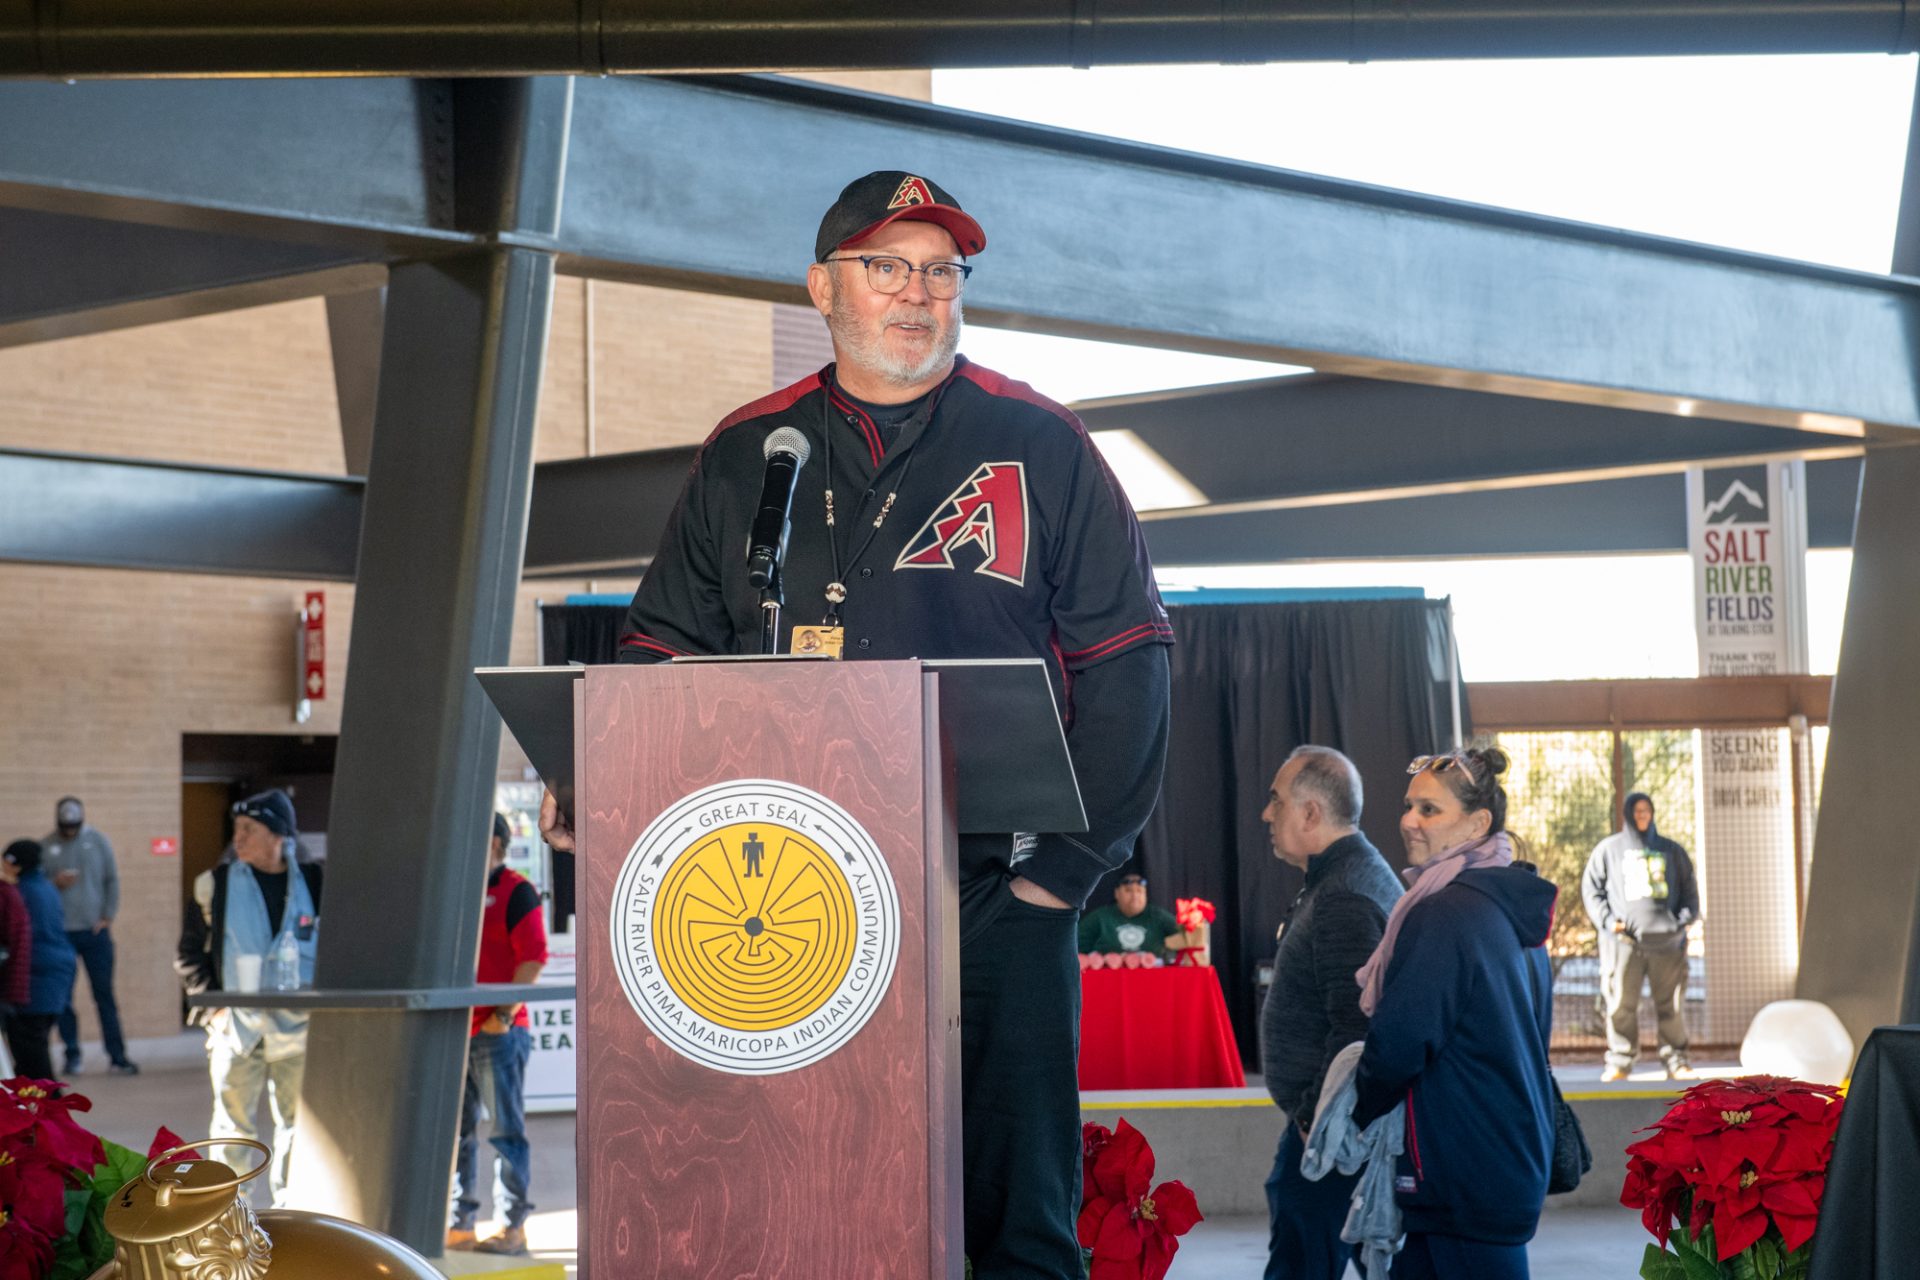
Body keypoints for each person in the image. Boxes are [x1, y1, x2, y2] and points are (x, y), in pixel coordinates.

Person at [541, 170, 1171, 1278]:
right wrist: (600, 771)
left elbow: (1130, 665)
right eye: (886, 266)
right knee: (798, 1206)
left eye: (941, 270)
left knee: (1016, 1225)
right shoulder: (751, 450)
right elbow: (659, 648)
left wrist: (1055, 882)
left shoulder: (1042, 441)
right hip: (785, 905)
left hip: (993, 898)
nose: (916, 293)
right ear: (823, 286)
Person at [1349, 748, 1555, 1280]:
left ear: (1478, 823)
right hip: (1497, 1163)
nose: (1408, 821)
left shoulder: (1444, 913)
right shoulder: (1510, 905)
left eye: (1429, 810)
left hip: (1460, 1173)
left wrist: (1356, 1109)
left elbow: (1398, 1045)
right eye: (1409, 805)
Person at [1258, 745, 1402, 1280]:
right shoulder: (1341, 877)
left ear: (1311, 813)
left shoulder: (1345, 894)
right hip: (1326, 1125)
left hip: (1332, 1136)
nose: (1266, 814)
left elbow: (1356, 1030)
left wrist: (1311, 1123)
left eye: (1276, 801)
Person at [174, 790, 323, 1205]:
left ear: (279, 836)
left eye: (249, 830)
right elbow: (188, 955)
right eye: (236, 829)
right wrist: (214, 1009)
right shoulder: (213, 885)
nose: (237, 839)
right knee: (232, 1126)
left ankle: (293, 1213)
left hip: (299, 1028)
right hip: (235, 1029)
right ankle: (229, 1214)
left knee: (298, 1124)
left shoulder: (315, 881)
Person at [448, 813, 549, 1257]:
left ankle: (512, 1227)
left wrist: (503, 1017)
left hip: (499, 1034)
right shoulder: (456, 891)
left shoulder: (517, 891)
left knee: (506, 1132)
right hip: (455, 1030)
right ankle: (459, 1224)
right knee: (458, 1134)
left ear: (493, 842)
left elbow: (533, 959)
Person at [1583, 791, 1699, 1082]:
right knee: (1621, 1003)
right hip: (1624, 945)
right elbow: (1592, 891)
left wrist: (1681, 922)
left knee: (1671, 1005)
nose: (1642, 815)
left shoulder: (1672, 850)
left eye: (1647, 809)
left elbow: (1689, 891)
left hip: (1668, 945)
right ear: (1627, 814)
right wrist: (1609, 922)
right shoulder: (1608, 850)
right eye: (1637, 810)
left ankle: (1676, 1061)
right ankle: (1620, 1062)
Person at [41, 796, 135, 1075]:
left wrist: (107, 916)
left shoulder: (98, 841)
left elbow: (112, 880)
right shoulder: (46, 846)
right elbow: (37, 886)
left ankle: (117, 1056)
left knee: (104, 995)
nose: (70, 831)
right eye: (65, 827)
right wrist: (54, 883)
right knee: (64, 999)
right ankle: (72, 1054)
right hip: (62, 935)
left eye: (74, 826)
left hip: (95, 932)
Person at [2, 840, 75, 1082]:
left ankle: (53, 1111)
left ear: (16, 864)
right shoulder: (45, 887)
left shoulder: (21, 892)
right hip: (55, 971)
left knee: (32, 1054)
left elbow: (19, 939)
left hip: (38, 976)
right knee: (30, 1055)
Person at [1076, 872, 1188, 960]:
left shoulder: (1158, 916)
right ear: (1117, 893)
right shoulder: (1100, 917)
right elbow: (1075, 945)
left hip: (1153, 979)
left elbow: (1186, 938)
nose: (1135, 896)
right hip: (1109, 980)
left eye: (1140, 891)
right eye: (1128, 891)